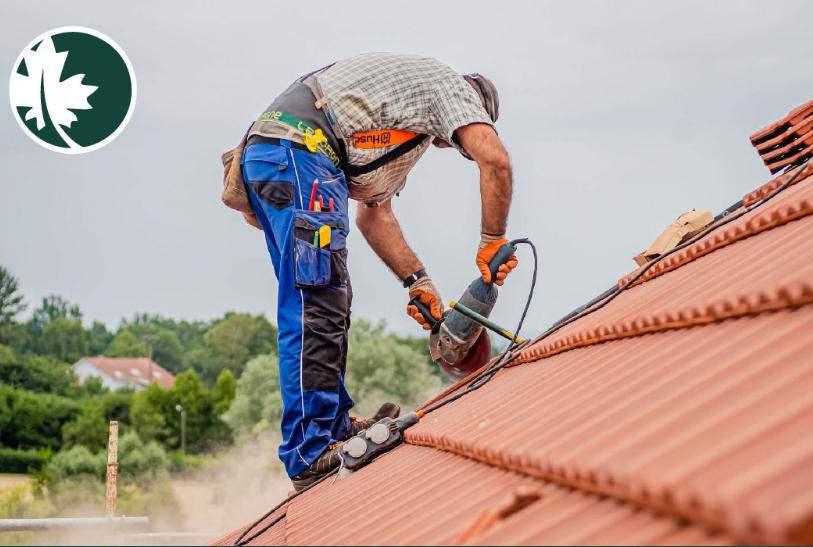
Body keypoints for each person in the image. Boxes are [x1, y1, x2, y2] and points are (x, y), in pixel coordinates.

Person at [224, 52, 517, 491]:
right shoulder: (453, 91)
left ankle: (334, 427)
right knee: (317, 300)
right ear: (473, 109)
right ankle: (310, 449)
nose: (450, 146)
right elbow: (495, 160)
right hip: (299, 153)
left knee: (328, 296)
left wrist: (418, 282)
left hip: (287, 157)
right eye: (458, 138)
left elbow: (373, 217)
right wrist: (492, 238)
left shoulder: (407, 126)